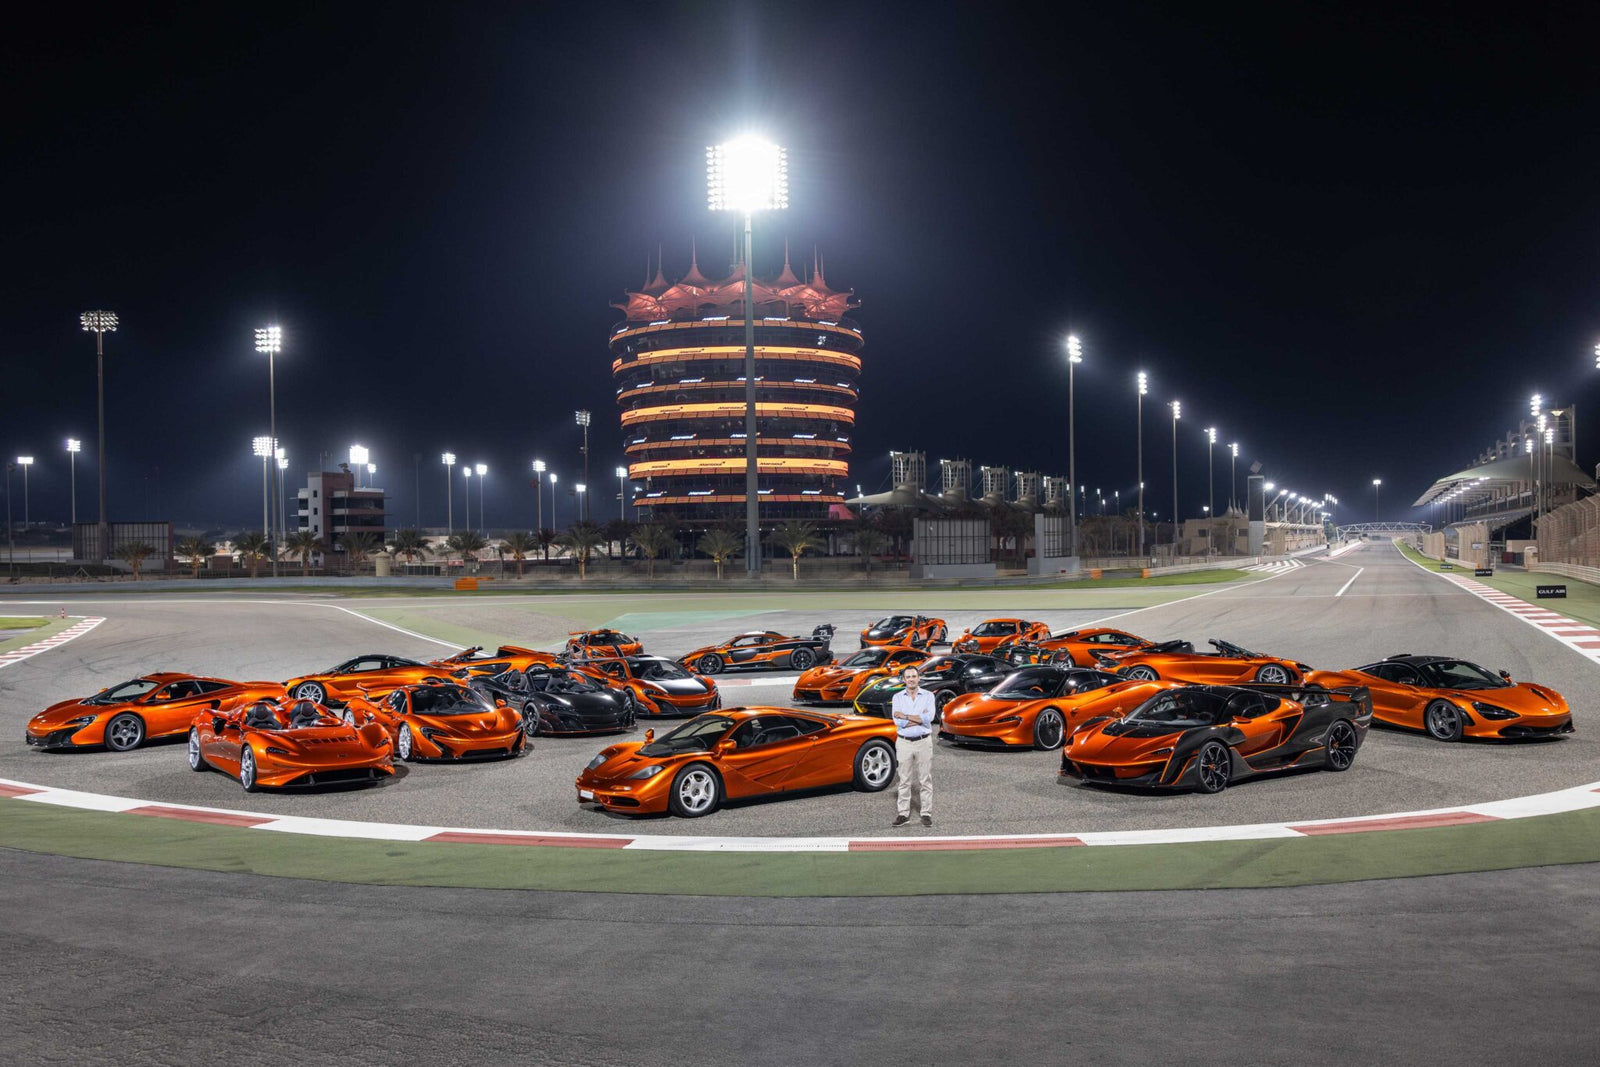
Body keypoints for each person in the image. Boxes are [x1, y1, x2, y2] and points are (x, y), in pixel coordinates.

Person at [889, 665, 936, 826]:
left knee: (925, 779)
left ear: (918, 678)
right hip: (904, 743)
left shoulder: (928, 696)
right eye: (908, 677)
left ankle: (926, 813)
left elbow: (928, 718)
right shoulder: (897, 697)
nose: (911, 679)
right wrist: (917, 719)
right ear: (903, 679)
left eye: (913, 676)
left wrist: (906, 716)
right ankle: (903, 814)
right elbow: (898, 722)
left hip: (924, 741)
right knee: (904, 780)